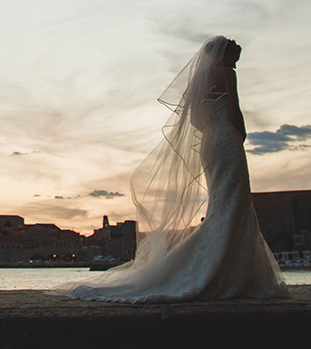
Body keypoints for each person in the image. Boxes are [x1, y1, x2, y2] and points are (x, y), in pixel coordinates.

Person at [57, 36, 288, 302]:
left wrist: (215, 129)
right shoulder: (226, 74)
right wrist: (239, 133)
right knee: (233, 202)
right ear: (226, 56)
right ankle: (228, 272)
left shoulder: (197, 83)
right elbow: (235, 111)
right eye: (235, 59)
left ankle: (218, 267)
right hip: (227, 140)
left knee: (221, 205)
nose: (235, 64)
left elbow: (197, 122)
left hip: (210, 144)